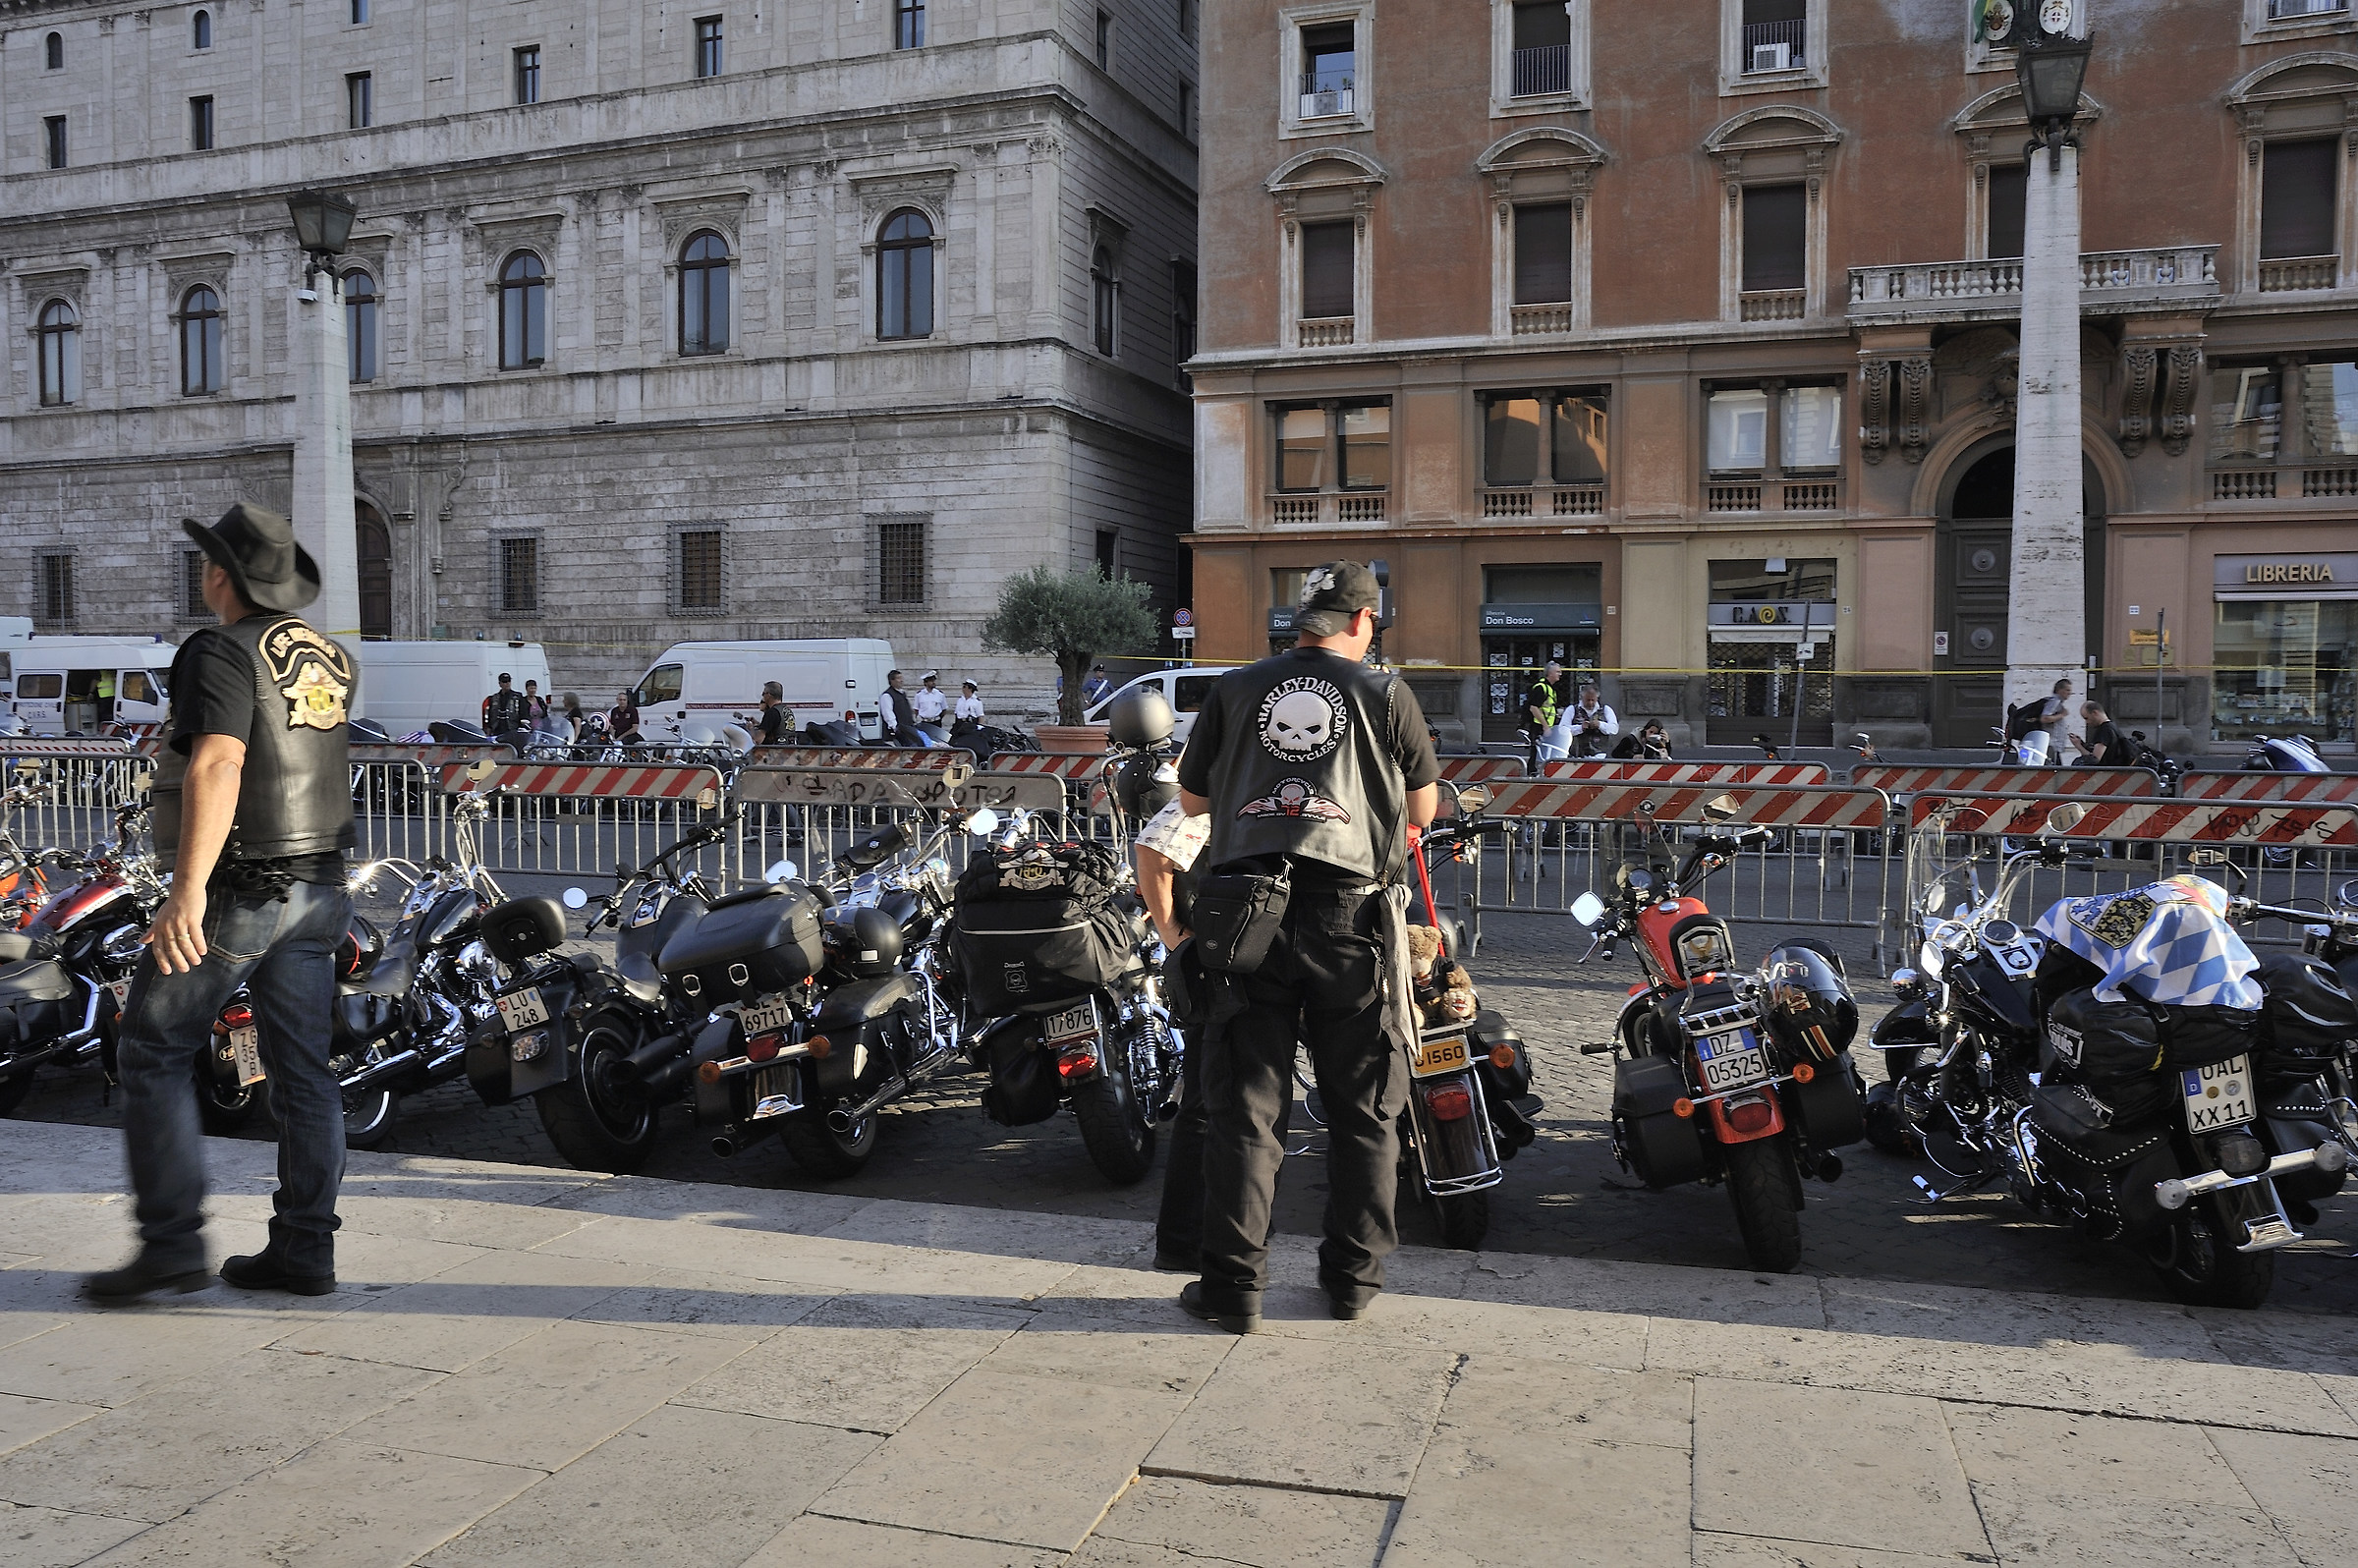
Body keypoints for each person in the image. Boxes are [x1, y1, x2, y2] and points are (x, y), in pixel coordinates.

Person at [84, 503, 358, 1302]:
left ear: (218, 577)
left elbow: (219, 764)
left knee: (150, 1047)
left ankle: (171, 1245)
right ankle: (305, 1250)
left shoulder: (217, 650)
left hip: (242, 889)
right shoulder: (330, 655)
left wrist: (185, 894)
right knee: (304, 1070)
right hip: (320, 889)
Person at [1175, 560, 1439, 1333]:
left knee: (1246, 1111)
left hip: (1243, 916)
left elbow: (1192, 798)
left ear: (1302, 623)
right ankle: (1352, 1282)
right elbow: (1421, 805)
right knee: (1364, 1110)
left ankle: (1232, 1290)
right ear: (1364, 622)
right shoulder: (1388, 692)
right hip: (1348, 921)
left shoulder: (1233, 686)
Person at [1565, 682, 1619, 759]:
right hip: (1577, 755)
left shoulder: (1606, 709)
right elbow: (1563, 730)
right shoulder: (1572, 709)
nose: (1590, 703)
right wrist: (1580, 728)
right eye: (1587, 700)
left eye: (1593, 700)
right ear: (1582, 697)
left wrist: (1600, 725)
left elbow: (1614, 729)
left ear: (1597, 698)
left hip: (1601, 755)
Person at [2070, 700, 2126, 765]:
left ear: (2094, 713)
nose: (2087, 722)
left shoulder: (2104, 730)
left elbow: (2095, 759)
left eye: (2086, 718)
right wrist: (2082, 744)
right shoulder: (2112, 726)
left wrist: (2079, 746)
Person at [2039, 677, 2074, 764]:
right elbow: (2044, 718)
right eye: (2067, 690)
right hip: (2051, 744)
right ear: (2059, 690)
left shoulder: (2057, 702)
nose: (2070, 693)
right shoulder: (2055, 701)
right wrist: (2062, 715)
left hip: (2053, 745)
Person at [912, 671, 949, 743]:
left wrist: (939, 718)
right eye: (931, 681)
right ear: (926, 683)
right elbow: (916, 709)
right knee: (925, 741)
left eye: (934, 680)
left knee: (936, 741)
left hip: (936, 722)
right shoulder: (919, 695)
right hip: (924, 722)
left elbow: (944, 709)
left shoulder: (940, 694)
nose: (933, 682)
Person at [756, 680, 789, 747]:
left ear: (768, 695)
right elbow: (777, 727)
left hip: (773, 752)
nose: (763, 696)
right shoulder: (787, 710)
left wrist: (751, 731)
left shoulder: (771, 713)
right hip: (788, 749)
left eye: (763, 693)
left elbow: (758, 740)